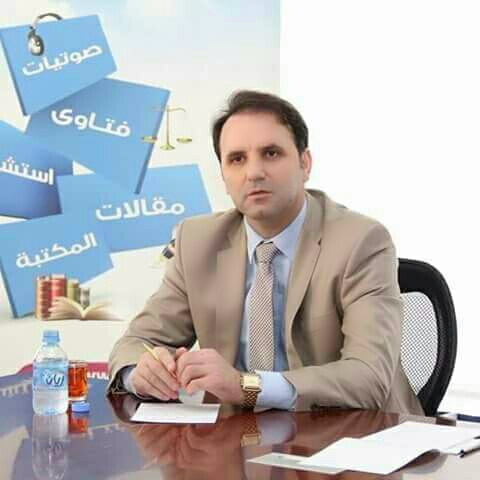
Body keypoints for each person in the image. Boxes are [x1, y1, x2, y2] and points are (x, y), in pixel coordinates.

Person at [108, 90, 423, 414]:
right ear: (223, 177)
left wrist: (247, 386)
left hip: (353, 432)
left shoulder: (361, 241)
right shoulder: (197, 242)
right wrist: (140, 373)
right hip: (240, 435)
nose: (254, 173)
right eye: (237, 159)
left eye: (271, 153)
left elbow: (369, 377)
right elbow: (133, 344)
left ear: (304, 164)